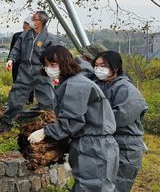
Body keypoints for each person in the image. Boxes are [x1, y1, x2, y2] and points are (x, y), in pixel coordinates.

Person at [28, 45, 119, 191]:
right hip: (91, 145)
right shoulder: (72, 82)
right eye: (46, 65)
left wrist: (45, 132)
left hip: (94, 146)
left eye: (53, 64)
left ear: (65, 63)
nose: (49, 68)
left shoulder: (76, 84)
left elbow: (71, 121)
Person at [92, 51, 148, 192]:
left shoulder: (128, 90)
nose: (98, 69)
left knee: (118, 185)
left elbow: (117, 118)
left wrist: (88, 120)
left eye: (103, 65)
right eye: (96, 65)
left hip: (125, 147)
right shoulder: (96, 85)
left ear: (115, 68)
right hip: (104, 144)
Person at [0, 11, 56, 131]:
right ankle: (8, 122)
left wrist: (53, 70)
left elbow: (54, 56)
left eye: (34, 19)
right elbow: (16, 49)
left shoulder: (49, 38)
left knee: (48, 99)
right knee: (16, 96)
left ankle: (49, 124)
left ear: (41, 22)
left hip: (41, 71)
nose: (32, 21)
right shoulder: (25, 35)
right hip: (25, 69)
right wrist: (11, 60)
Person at [9, 14, 33, 83]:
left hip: (29, 67)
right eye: (24, 23)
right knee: (16, 84)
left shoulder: (36, 38)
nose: (25, 25)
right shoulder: (17, 36)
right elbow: (12, 50)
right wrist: (10, 61)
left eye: (27, 24)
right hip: (17, 65)